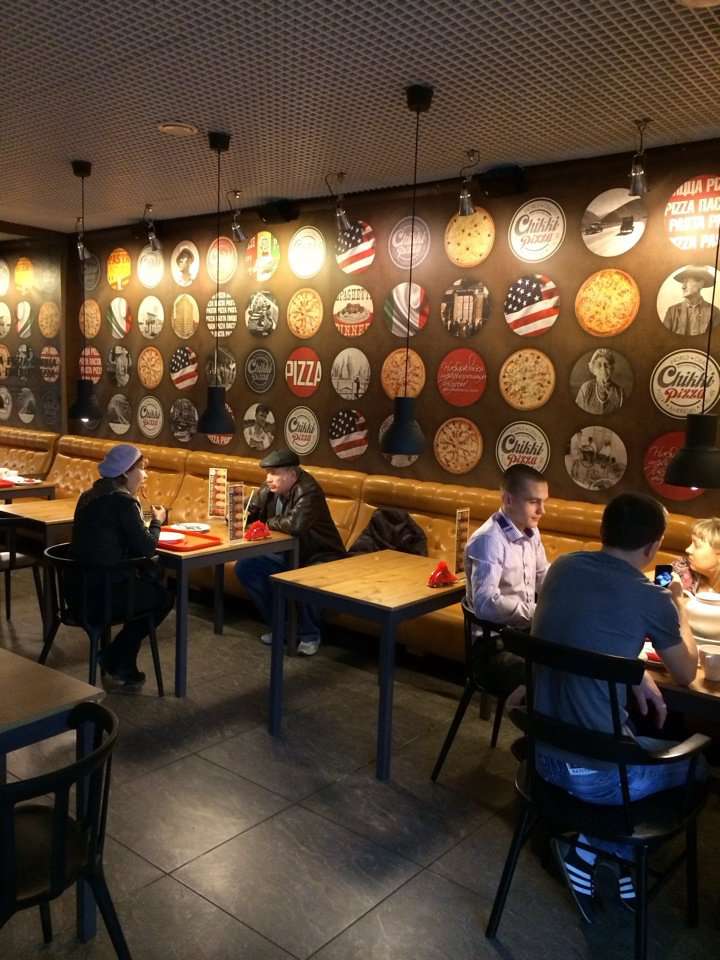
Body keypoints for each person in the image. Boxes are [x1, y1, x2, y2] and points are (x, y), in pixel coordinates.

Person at [532, 493, 700, 921]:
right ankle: (592, 849)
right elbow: (686, 672)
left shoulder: (563, 568)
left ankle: (611, 860)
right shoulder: (651, 596)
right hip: (596, 778)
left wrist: (632, 672)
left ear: (602, 530)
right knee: (697, 767)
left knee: (638, 740)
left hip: (540, 756)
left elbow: (573, 633)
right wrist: (678, 606)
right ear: (653, 545)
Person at [70, 444, 172, 687]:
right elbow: (147, 547)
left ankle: (121, 661)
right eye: (141, 469)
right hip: (102, 596)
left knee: (147, 586)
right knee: (163, 598)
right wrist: (157, 521)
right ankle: (115, 656)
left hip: (75, 591)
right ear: (126, 472)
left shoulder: (89, 495)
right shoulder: (123, 502)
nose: (145, 475)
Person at [235, 448, 345, 656]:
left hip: (320, 554)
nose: (268, 479)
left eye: (274, 473)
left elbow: (295, 525)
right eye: (267, 473)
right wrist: (239, 514)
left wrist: (266, 523)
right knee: (246, 567)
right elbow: (250, 512)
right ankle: (283, 627)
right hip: (288, 552)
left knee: (302, 578)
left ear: (292, 475)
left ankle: (309, 634)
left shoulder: (308, 491)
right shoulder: (269, 488)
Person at [463, 464, 549, 696]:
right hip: (491, 647)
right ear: (508, 500)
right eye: (534, 502)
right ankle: (528, 715)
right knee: (550, 678)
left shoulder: (532, 532)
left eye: (544, 502)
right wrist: (537, 612)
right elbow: (485, 604)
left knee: (571, 664)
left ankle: (532, 714)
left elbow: (543, 577)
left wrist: (570, 598)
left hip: (522, 637)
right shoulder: (489, 540)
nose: (542, 510)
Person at [662, 266, 720, 336]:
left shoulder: (714, 312)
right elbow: (664, 337)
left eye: (687, 281)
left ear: (701, 284)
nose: (683, 287)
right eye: (683, 282)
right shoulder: (672, 311)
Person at [575, 348, 624, 415]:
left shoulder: (620, 393)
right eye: (599, 365)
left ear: (612, 369)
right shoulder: (586, 389)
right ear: (593, 370)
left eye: (606, 365)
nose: (603, 369)